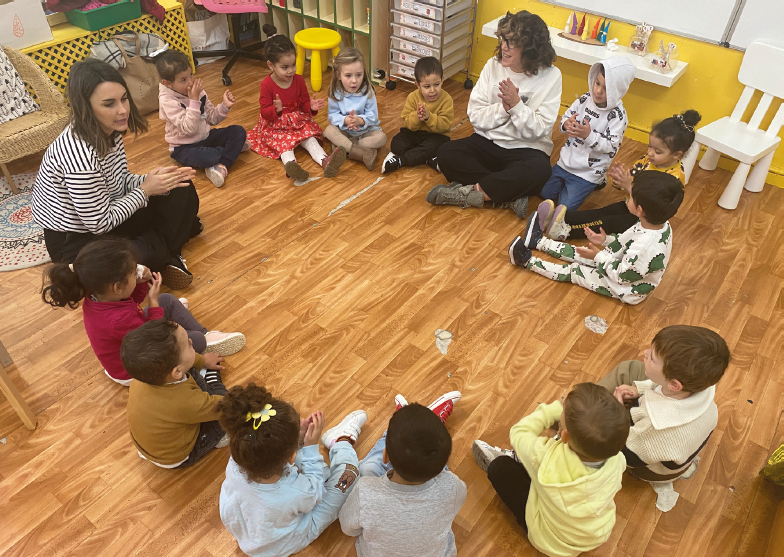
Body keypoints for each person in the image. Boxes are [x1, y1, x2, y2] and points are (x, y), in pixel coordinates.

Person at [31, 58, 200, 289]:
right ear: (85, 107)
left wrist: (152, 181)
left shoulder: (108, 130)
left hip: (108, 214)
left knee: (181, 187)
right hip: (75, 240)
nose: (122, 110)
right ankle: (167, 251)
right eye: (109, 104)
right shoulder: (80, 157)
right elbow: (99, 223)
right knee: (117, 262)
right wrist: (145, 190)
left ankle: (160, 250)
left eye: (124, 98)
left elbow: (118, 182)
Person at [41, 238, 245, 385]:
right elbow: (156, 337)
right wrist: (153, 301)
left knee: (166, 299)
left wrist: (141, 282)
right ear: (117, 287)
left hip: (137, 339)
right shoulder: (118, 319)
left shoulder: (98, 294)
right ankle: (204, 342)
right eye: (132, 273)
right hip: (133, 370)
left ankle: (206, 334)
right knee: (192, 340)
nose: (136, 271)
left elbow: (132, 301)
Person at [427, 11, 562, 219]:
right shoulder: (493, 65)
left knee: (541, 171)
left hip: (526, 149)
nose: (504, 46)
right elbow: (475, 115)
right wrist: (504, 109)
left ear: (530, 48)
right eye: (503, 39)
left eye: (512, 42)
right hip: (487, 142)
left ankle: (470, 194)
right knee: (446, 152)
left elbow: (540, 130)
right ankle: (506, 194)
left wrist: (517, 106)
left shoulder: (552, 76)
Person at [472, 383, 629, 557]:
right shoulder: (618, 460)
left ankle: (518, 460)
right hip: (596, 534)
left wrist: (551, 410)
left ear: (565, 435)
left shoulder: (545, 455)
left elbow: (518, 433)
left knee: (499, 468)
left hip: (551, 541)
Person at [218, 382, 366, 557]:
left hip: (251, 534)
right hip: (285, 542)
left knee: (319, 472)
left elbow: (269, 452)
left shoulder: (241, 454)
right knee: (350, 473)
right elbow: (314, 493)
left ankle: (323, 463)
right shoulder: (293, 491)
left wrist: (298, 440)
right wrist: (310, 447)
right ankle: (341, 441)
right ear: (290, 456)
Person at [598, 325, 730, 511]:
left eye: (651, 357)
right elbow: (662, 388)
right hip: (663, 444)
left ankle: (576, 414)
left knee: (594, 424)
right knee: (632, 368)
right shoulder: (702, 386)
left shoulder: (657, 427)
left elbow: (626, 456)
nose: (644, 353)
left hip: (646, 464)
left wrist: (616, 414)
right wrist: (640, 390)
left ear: (674, 384)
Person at [509, 170, 683, 305]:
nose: (627, 199)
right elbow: (628, 244)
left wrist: (599, 257)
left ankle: (526, 261)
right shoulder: (658, 222)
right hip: (617, 263)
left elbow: (622, 275)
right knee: (581, 252)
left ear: (640, 210)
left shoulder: (647, 246)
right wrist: (605, 241)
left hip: (624, 288)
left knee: (575, 271)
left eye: (631, 197)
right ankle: (538, 241)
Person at [540, 110, 701, 241]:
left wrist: (628, 186)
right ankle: (558, 218)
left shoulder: (673, 180)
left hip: (640, 221)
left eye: (658, 151)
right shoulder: (648, 160)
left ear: (676, 155)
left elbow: (650, 207)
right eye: (650, 146)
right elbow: (629, 182)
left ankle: (564, 232)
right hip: (628, 204)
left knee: (604, 223)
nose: (650, 153)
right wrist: (619, 181)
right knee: (598, 213)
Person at [340, 392, 466, 557]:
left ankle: (401, 430)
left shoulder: (365, 492)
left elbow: (348, 528)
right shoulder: (453, 486)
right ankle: (427, 428)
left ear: (386, 457)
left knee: (367, 468)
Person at [120, 319, 230, 468]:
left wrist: (202, 360)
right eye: (188, 344)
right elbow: (226, 407)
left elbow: (184, 365)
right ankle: (219, 437)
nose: (191, 341)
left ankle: (205, 375)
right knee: (227, 411)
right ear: (176, 372)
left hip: (151, 445)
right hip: (179, 456)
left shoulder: (142, 377)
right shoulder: (184, 402)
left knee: (190, 369)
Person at [247, 24, 345, 184]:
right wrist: (276, 110)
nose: (291, 70)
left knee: (310, 139)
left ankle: (326, 161)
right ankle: (292, 168)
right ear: (271, 65)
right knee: (284, 146)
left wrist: (310, 107)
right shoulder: (266, 85)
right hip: (276, 125)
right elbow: (265, 112)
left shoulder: (298, 80)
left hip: (297, 121)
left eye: (293, 65)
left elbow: (304, 102)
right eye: (284, 67)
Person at [539, 57, 635, 211]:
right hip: (566, 162)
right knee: (544, 192)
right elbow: (566, 118)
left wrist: (588, 135)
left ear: (617, 91)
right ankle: (569, 186)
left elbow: (611, 146)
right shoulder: (585, 99)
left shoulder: (618, 116)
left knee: (565, 207)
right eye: (597, 83)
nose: (597, 91)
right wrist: (566, 123)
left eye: (605, 88)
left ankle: (596, 182)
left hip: (588, 172)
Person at [156, 49, 248, 188]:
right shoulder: (167, 101)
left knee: (238, 131)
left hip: (205, 137)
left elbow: (211, 118)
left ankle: (222, 165)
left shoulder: (197, 91)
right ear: (168, 83)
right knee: (210, 156)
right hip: (184, 147)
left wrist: (224, 106)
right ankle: (230, 152)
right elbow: (189, 128)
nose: (190, 82)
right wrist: (193, 101)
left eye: (191, 75)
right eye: (183, 80)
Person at [382, 56, 454, 174]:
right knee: (396, 144)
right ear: (417, 84)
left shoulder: (447, 99)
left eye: (436, 84)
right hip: (414, 133)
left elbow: (445, 125)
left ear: (442, 80)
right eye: (427, 86)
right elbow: (407, 123)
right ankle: (427, 159)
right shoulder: (413, 97)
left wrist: (429, 117)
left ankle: (402, 160)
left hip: (436, 135)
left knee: (441, 146)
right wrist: (417, 116)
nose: (432, 90)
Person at [324, 47, 387, 171]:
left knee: (382, 138)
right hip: (345, 130)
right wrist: (345, 120)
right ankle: (364, 153)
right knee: (329, 131)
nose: (354, 81)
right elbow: (332, 115)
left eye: (359, 75)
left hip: (365, 131)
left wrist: (360, 121)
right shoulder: (335, 93)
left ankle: (347, 148)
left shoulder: (368, 92)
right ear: (338, 75)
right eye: (348, 75)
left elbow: (373, 116)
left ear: (364, 72)